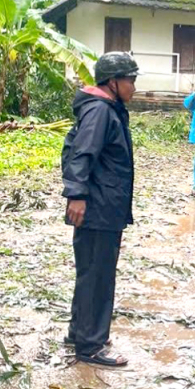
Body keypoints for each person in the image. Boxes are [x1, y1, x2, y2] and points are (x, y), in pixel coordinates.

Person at [61, 51, 141, 367]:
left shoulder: (106, 109)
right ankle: (91, 346)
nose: (134, 87)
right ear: (113, 82)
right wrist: (77, 195)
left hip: (103, 205)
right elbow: (82, 154)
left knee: (91, 271)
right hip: (98, 207)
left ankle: (80, 332)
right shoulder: (100, 112)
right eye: (130, 80)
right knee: (98, 275)